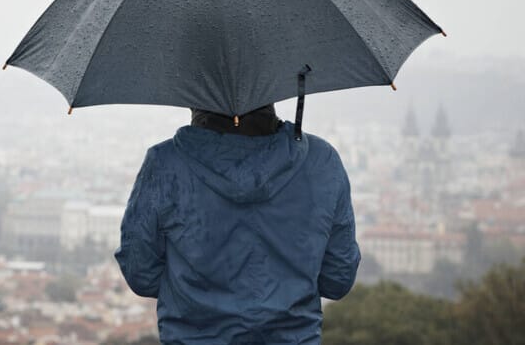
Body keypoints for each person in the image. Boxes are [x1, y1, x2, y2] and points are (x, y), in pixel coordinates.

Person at [115, 105, 360, 345]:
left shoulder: (165, 163)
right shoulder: (322, 160)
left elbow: (140, 273)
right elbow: (337, 279)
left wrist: (190, 293)